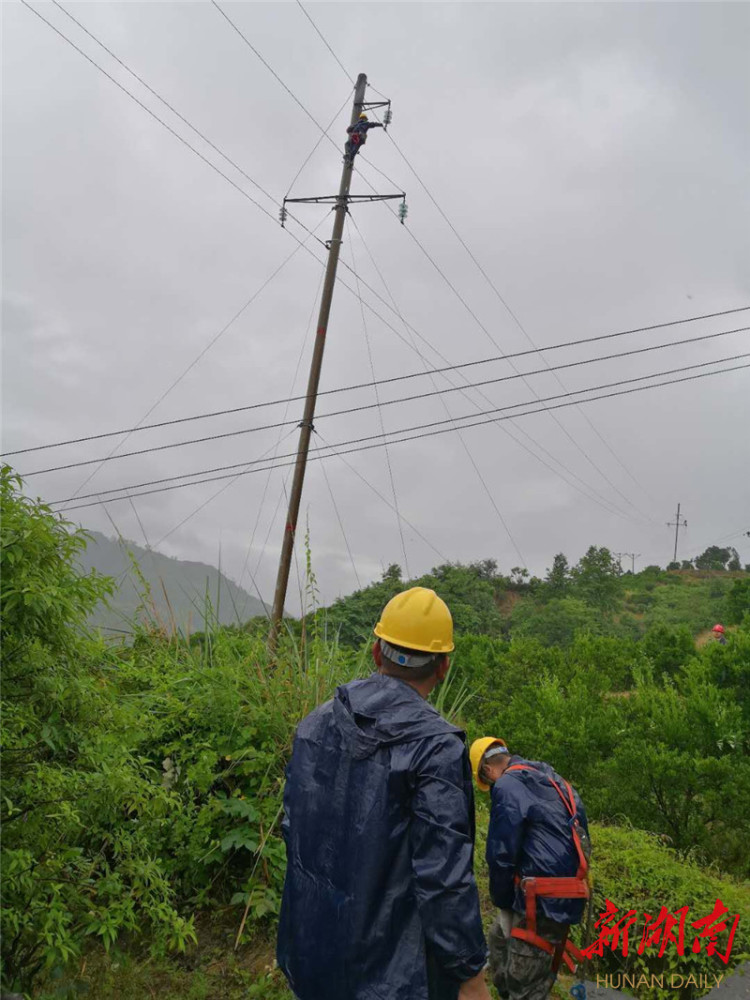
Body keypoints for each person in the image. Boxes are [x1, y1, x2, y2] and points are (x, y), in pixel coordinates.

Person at [278, 587, 491, 1000]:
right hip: (395, 977)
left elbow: (295, 832)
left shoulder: (315, 723)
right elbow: (443, 878)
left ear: (377, 652)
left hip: (311, 954)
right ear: (444, 666)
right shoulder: (437, 749)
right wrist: (470, 975)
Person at [469, 738, 591, 1000]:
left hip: (542, 900)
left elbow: (501, 854)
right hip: (567, 891)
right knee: (498, 942)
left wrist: (503, 904)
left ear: (487, 771)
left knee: (525, 986)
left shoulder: (507, 785)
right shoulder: (551, 778)